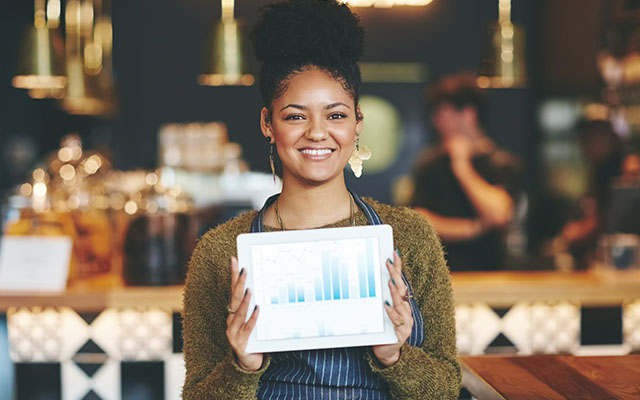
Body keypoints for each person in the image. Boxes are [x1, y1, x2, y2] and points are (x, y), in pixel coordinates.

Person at [181, 1, 461, 399]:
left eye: (336, 115)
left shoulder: (409, 237)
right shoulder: (220, 253)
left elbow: (447, 389)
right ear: (267, 123)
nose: (317, 133)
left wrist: (394, 356)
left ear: (357, 122)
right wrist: (242, 368)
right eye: (296, 116)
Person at [410, 73, 520, 271]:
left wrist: (462, 167)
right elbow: (419, 221)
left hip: (491, 274)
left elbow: (498, 213)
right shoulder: (430, 164)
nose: (437, 122)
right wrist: (473, 228)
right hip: (440, 275)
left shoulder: (501, 162)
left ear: (469, 114)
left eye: (443, 113)